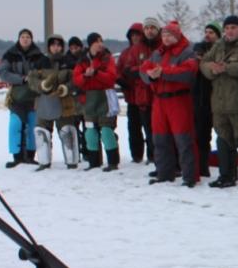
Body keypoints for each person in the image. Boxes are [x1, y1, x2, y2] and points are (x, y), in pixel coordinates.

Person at [200, 15, 238, 190]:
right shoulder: (218, 45)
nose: (229, 31)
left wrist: (227, 68)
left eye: (233, 27)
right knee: (223, 139)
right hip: (219, 103)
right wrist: (212, 69)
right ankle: (226, 175)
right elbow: (204, 62)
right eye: (227, 28)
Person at [142, 21, 200, 187]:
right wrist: (150, 75)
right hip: (159, 100)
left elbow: (188, 72)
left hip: (179, 100)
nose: (166, 38)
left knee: (184, 139)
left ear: (177, 36)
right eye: (164, 35)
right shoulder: (157, 53)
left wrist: (163, 72)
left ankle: (190, 176)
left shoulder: (187, 52)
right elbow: (144, 68)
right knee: (160, 139)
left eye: (169, 35)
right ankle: (164, 173)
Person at [29, 34, 81, 170]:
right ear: (49, 47)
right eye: (53, 45)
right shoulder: (40, 62)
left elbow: (76, 79)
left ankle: (72, 161)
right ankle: (44, 162)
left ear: (62, 47)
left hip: (64, 102)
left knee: (67, 131)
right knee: (41, 132)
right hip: (44, 102)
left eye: (58, 45)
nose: (56, 47)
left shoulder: (69, 62)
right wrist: (42, 85)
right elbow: (31, 80)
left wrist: (67, 88)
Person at [71, 33, 120, 171]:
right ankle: (94, 162)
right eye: (96, 41)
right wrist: (86, 76)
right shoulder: (82, 60)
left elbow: (111, 78)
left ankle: (113, 162)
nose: (100, 44)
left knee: (106, 131)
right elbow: (77, 80)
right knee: (90, 132)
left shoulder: (107, 58)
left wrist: (96, 74)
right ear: (90, 44)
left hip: (105, 98)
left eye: (101, 41)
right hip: (89, 99)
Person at [0, 28, 44, 167]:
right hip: (17, 96)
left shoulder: (38, 55)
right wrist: (21, 79)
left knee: (32, 126)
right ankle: (16, 156)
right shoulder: (10, 54)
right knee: (15, 125)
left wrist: (33, 78)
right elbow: (3, 72)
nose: (25, 39)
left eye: (28, 37)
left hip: (33, 96)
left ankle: (30, 156)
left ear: (31, 39)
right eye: (23, 37)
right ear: (19, 39)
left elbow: (43, 72)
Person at [117, 22, 155, 164]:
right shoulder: (125, 53)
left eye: (137, 35)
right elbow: (119, 70)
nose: (135, 38)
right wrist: (121, 81)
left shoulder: (148, 50)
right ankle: (136, 155)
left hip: (146, 95)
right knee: (133, 128)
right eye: (132, 35)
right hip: (131, 96)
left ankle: (152, 155)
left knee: (149, 127)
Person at [191, 23, 220, 178]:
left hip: (219, 97)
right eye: (206, 32)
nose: (208, 35)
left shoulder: (222, 50)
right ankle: (202, 166)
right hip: (201, 98)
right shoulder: (198, 48)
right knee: (201, 135)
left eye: (212, 32)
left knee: (223, 134)